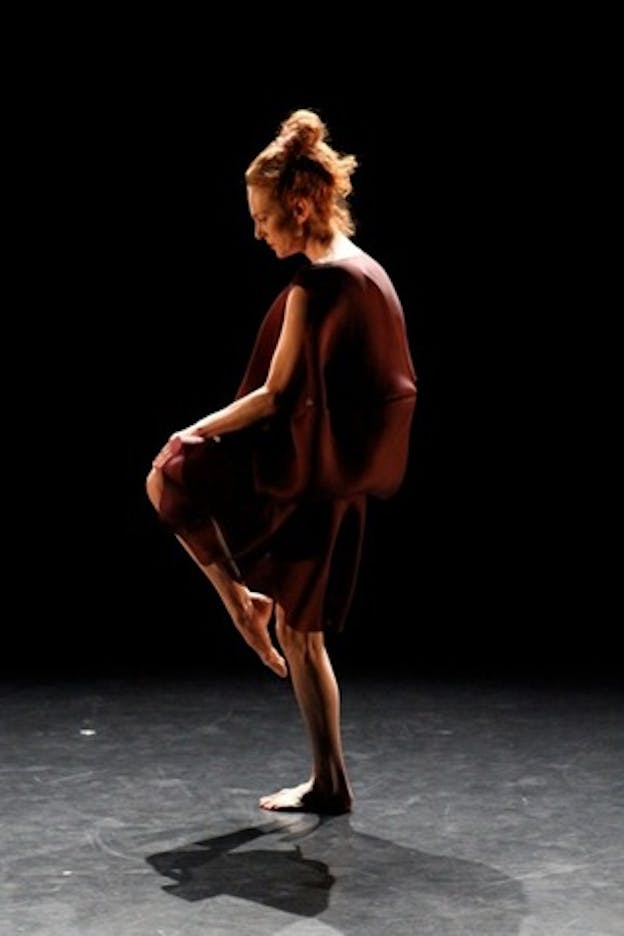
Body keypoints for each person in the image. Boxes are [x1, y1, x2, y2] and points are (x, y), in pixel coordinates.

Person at [146, 108, 417, 815]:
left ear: (299, 205)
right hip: (329, 477)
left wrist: (192, 429)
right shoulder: (364, 270)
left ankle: (240, 605)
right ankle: (328, 782)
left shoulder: (320, 285)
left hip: (317, 480)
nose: (257, 230)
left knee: (169, 474)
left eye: (264, 217)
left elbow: (277, 394)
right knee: (304, 634)